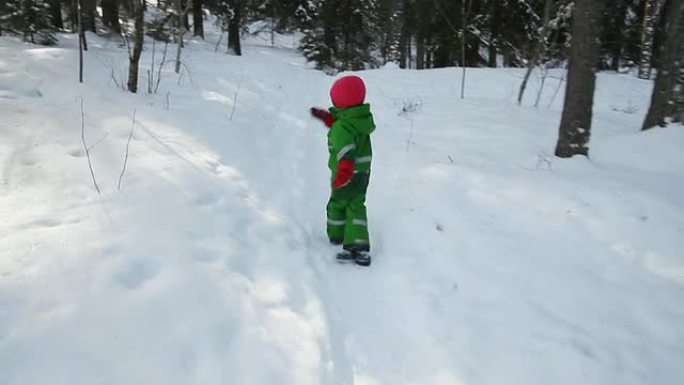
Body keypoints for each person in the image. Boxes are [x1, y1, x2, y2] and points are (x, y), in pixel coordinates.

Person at [310, 75, 376, 266]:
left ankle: (347, 242)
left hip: (346, 173)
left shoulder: (341, 128)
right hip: (363, 172)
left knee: (337, 204)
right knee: (356, 202)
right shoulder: (359, 118)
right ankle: (353, 240)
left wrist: (344, 173)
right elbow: (346, 125)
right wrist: (327, 117)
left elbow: (346, 150)